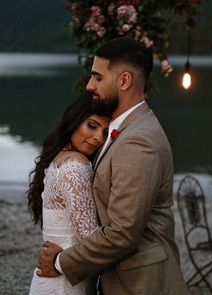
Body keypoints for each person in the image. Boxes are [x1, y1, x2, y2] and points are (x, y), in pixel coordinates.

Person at [37, 37, 189, 294]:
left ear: (124, 81)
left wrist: (61, 262)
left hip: (139, 283)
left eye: (97, 77)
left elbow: (122, 233)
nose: (89, 85)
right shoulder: (126, 129)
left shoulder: (138, 141)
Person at [27, 91, 110, 294]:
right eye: (92, 125)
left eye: (106, 132)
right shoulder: (76, 166)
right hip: (65, 284)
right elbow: (91, 240)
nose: (98, 138)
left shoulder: (59, 157)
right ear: (74, 121)